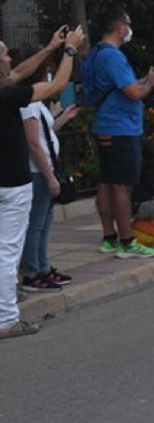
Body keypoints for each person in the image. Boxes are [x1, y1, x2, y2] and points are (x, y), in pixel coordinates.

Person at [0, 25, 84, 339]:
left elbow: (18, 71)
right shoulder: (9, 96)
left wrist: (50, 48)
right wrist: (70, 50)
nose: (10, 58)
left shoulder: (7, 88)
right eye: (5, 54)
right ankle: (6, 318)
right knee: (8, 251)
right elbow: (59, 84)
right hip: (12, 184)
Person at [81, 9, 154, 258]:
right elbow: (133, 93)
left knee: (107, 183)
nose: (130, 29)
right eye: (128, 25)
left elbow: (123, 86)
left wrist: (147, 78)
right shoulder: (113, 57)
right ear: (120, 27)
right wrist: (151, 83)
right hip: (120, 127)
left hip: (106, 126)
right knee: (121, 186)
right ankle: (127, 241)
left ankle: (110, 237)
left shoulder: (96, 53)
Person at [19, 62, 81, 292]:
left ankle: (43, 267)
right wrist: (50, 177)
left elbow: (46, 133)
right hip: (38, 172)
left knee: (45, 223)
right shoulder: (28, 105)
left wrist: (62, 117)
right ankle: (32, 272)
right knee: (35, 224)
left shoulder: (37, 104)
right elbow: (34, 144)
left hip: (45, 170)